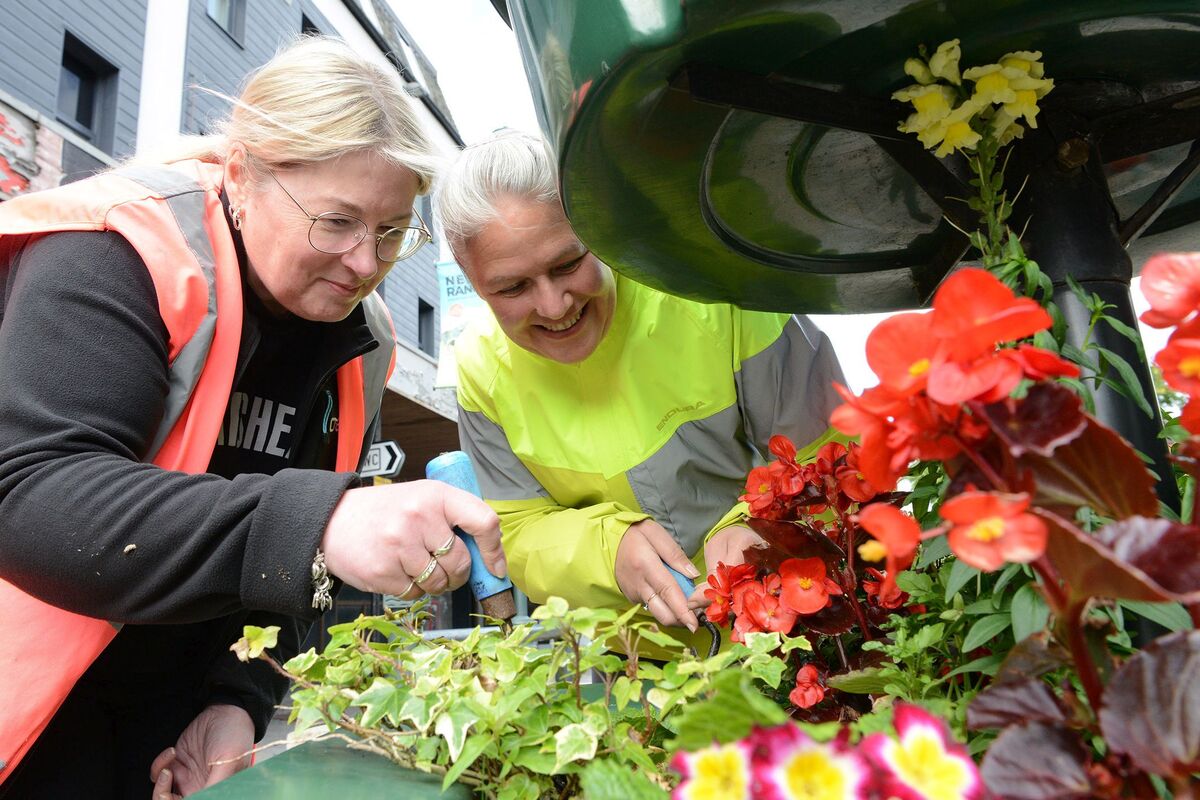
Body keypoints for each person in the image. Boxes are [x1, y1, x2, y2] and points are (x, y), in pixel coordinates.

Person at [0, 36, 504, 799]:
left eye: (393, 231)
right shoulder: (117, 248)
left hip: (167, 728)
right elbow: (31, 493)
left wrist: (239, 699)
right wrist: (323, 524)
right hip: (28, 711)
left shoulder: (362, 343)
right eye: (336, 221)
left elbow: (299, 577)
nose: (366, 264)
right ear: (242, 174)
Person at [436, 131, 843, 637]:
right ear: (470, 278)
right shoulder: (478, 370)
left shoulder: (714, 287)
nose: (554, 306)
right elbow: (517, 533)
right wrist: (608, 550)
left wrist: (761, 528)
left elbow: (832, 453)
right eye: (512, 287)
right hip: (639, 665)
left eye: (569, 264)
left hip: (795, 628)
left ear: (600, 227)